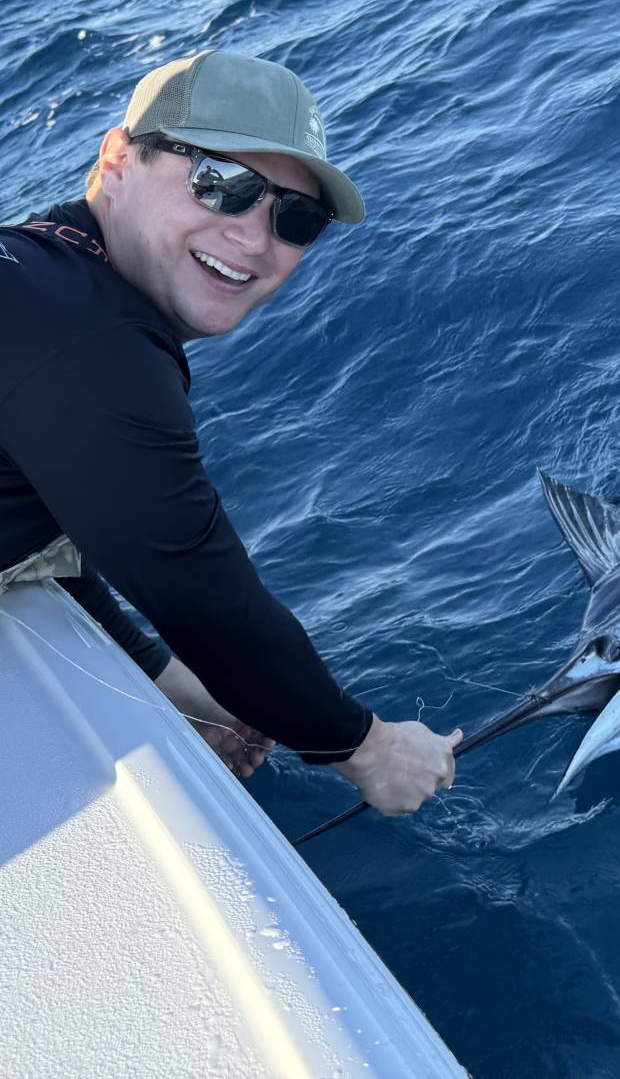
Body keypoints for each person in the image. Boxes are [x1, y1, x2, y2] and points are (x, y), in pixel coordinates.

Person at [0, 49, 458, 817]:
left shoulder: (43, 275)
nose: (252, 237)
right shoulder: (91, 345)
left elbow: (40, 512)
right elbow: (200, 593)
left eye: (295, 218)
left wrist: (164, 675)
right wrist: (369, 749)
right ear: (117, 160)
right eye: (220, 183)